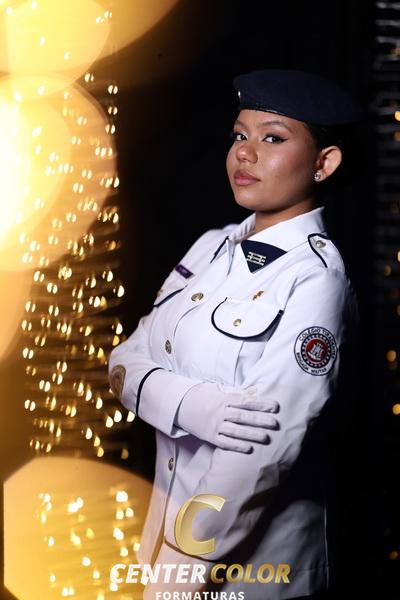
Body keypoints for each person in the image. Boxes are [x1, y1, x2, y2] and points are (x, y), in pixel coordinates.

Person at [108, 68, 364, 599]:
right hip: (161, 546)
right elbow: (124, 361)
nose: (244, 153)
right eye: (239, 135)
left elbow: (262, 453)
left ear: (324, 163)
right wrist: (192, 405)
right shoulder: (211, 246)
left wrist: (182, 567)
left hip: (247, 574)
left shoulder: (317, 278)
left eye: (272, 138)